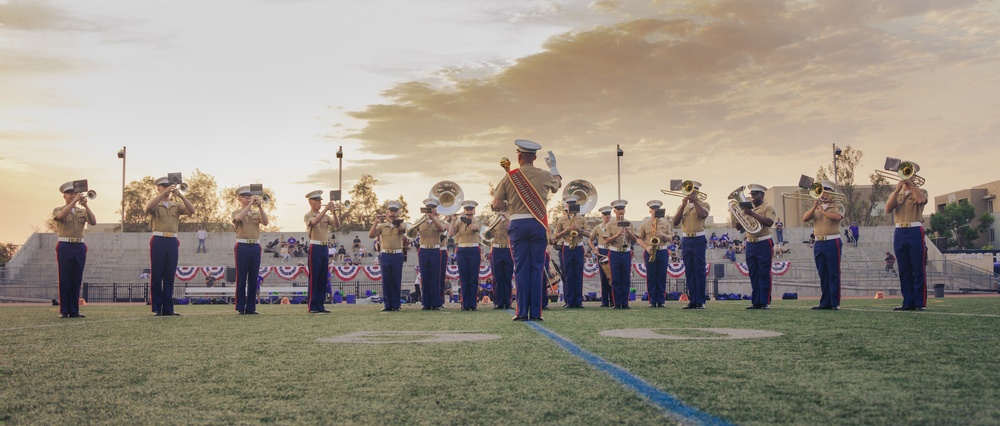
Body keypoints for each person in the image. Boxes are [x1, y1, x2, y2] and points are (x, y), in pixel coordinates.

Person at [492, 139, 562, 321]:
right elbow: (558, 184)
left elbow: (497, 204)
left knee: (521, 268)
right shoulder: (545, 174)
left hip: (517, 224)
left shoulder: (510, 176)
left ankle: (522, 312)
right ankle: (537, 312)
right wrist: (554, 166)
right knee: (537, 268)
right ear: (535, 157)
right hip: (538, 224)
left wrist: (515, 203)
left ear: (519, 156)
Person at [146, 176, 195, 316]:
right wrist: (163, 193)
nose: (167, 189)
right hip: (158, 239)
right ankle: (157, 307)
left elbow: (192, 210)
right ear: (158, 188)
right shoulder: (156, 203)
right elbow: (148, 207)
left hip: (172, 240)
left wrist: (180, 195)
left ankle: (168, 308)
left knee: (169, 275)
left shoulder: (176, 205)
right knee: (157, 274)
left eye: (169, 187)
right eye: (164, 186)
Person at [53, 181, 97, 318]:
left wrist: (85, 204)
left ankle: (74, 310)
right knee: (65, 278)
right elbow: (60, 217)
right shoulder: (58, 209)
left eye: (75, 194)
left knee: (76, 278)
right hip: (65, 245)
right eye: (71, 194)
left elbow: (93, 221)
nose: (73, 196)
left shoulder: (81, 211)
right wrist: (75, 201)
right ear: (64, 196)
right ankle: (64, 310)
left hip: (79, 246)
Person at [885, 174, 928, 311]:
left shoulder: (920, 191)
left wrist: (911, 185)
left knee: (918, 268)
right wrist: (897, 190)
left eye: (908, 175)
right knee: (904, 269)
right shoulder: (896, 193)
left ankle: (919, 302)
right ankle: (908, 301)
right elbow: (887, 209)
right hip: (899, 231)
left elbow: (921, 200)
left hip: (915, 229)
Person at [802, 180, 844, 310]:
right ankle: (825, 302)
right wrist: (815, 207)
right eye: (821, 191)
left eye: (826, 191)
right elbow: (805, 218)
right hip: (819, 242)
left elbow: (837, 217)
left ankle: (834, 302)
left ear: (831, 192)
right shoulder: (817, 207)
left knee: (833, 272)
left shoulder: (838, 205)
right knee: (823, 273)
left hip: (832, 241)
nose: (823, 194)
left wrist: (823, 211)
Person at [736, 184, 777, 310]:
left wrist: (751, 214)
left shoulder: (768, 207)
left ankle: (764, 301)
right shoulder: (749, 209)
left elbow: (769, 223)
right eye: (752, 194)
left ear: (762, 195)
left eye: (755, 194)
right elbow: (739, 228)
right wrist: (738, 215)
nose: (752, 196)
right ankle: (756, 301)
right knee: (753, 273)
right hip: (750, 243)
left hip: (764, 242)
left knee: (764, 273)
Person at [672, 181, 710, 310]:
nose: (690, 193)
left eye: (693, 191)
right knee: (689, 271)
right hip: (686, 240)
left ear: (697, 192)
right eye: (689, 191)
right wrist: (683, 206)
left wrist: (695, 202)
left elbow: (703, 215)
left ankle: (701, 301)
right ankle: (693, 300)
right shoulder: (683, 206)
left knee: (699, 271)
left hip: (698, 238)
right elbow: (675, 222)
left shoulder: (704, 204)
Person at [232, 186, 269, 315]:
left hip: (254, 246)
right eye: (246, 197)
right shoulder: (236, 212)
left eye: (250, 196)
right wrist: (250, 204)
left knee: (253, 277)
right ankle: (240, 306)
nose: (248, 198)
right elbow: (238, 219)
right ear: (239, 198)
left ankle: (251, 307)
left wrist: (259, 207)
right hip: (242, 245)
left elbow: (266, 222)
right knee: (241, 277)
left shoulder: (256, 213)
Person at [304, 190, 340, 314]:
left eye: (320, 201)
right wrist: (325, 210)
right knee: (314, 277)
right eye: (317, 201)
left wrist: (334, 212)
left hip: (325, 247)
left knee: (323, 278)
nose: (320, 203)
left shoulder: (325, 216)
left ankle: (320, 305)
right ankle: (312, 305)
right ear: (311, 202)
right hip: (315, 246)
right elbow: (313, 222)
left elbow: (337, 224)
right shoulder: (308, 215)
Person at [552, 195, 588, 308]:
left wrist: (579, 229)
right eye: (569, 205)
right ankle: (568, 300)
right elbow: (555, 236)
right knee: (568, 274)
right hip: (567, 247)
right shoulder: (561, 219)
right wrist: (565, 231)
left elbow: (590, 234)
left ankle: (578, 301)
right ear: (566, 206)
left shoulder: (582, 219)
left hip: (578, 247)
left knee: (578, 274)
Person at [369, 200, 406, 312]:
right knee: (386, 280)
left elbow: (402, 230)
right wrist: (375, 222)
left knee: (396, 280)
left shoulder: (401, 224)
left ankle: (396, 304)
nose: (392, 214)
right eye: (390, 211)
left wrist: (392, 220)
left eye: (395, 212)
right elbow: (371, 235)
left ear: (398, 213)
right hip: (385, 254)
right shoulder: (382, 226)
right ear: (387, 212)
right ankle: (387, 304)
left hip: (397, 254)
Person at [637, 200, 673, 308]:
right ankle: (652, 300)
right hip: (650, 251)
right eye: (653, 209)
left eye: (657, 209)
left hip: (662, 250)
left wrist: (662, 234)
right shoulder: (644, 225)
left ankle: (661, 301)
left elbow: (671, 238)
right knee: (651, 276)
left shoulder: (666, 224)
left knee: (661, 276)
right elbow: (639, 239)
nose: (655, 211)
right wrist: (646, 247)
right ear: (650, 211)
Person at [449, 200, 482, 311]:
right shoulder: (459, 222)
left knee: (473, 278)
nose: (468, 211)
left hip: (473, 248)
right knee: (464, 278)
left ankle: (473, 304)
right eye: (467, 209)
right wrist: (453, 221)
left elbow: (474, 229)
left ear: (474, 210)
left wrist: (467, 221)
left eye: (470, 209)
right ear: (464, 210)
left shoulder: (477, 221)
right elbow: (451, 233)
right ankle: (464, 304)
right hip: (462, 249)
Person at [415, 197, 448, 310]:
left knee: (435, 277)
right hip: (423, 249)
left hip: (435, 249)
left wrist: (433, 219)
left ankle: (436, 302)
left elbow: (442, 229)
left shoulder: (440, 221)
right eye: (428, 207)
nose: (430, 209)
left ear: (435, 209)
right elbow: (411, 232)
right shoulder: (419, 221)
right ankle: (426, 303)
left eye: (432, 207)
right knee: (425, 277)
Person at [604, 200, 637, 309]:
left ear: (625, 210)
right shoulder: (610, 224)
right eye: (618, 209)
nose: (620, 211)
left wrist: (628, 232)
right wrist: (618, 234)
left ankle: (625, 302)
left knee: (625, 279)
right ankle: (617, 302)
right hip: (614, 252)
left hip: (626, 253)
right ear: (614, 211)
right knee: (616, 279)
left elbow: (635, 240)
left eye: (622, 209)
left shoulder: (629, 223)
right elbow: (607, 240)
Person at [588, 206, 614, 307]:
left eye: (609, 214)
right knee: (604, 277)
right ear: (602, 216)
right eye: (605, 215)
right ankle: (604, 301)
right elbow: (590, 239)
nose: (608, 216)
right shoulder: (598, 228)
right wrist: (594, 249)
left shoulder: (614, 226)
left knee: (612, 276)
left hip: (612, 250)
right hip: (602, 251)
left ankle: (613, 300)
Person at [488, 210, 514, 310]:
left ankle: (508, 302)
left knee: (507, 277)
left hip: (508, 249)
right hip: (496, 249)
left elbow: (514, 228)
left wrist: (507, 217)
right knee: (497, 277)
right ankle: (498, 302)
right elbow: (488, 235)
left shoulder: (511, 219)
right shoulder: (493, 220)